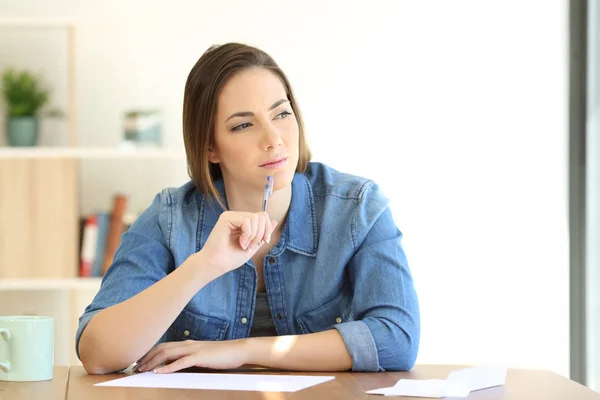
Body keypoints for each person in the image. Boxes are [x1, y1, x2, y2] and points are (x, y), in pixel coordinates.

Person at [76, 43, 420, 375]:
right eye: (243, 124)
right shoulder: (169, 219)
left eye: (281, 113)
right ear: (210, 146)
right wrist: (202, 266)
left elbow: (397, 340)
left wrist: (243, 351)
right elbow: (97, 354)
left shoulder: (357, 208)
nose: (274, 138)